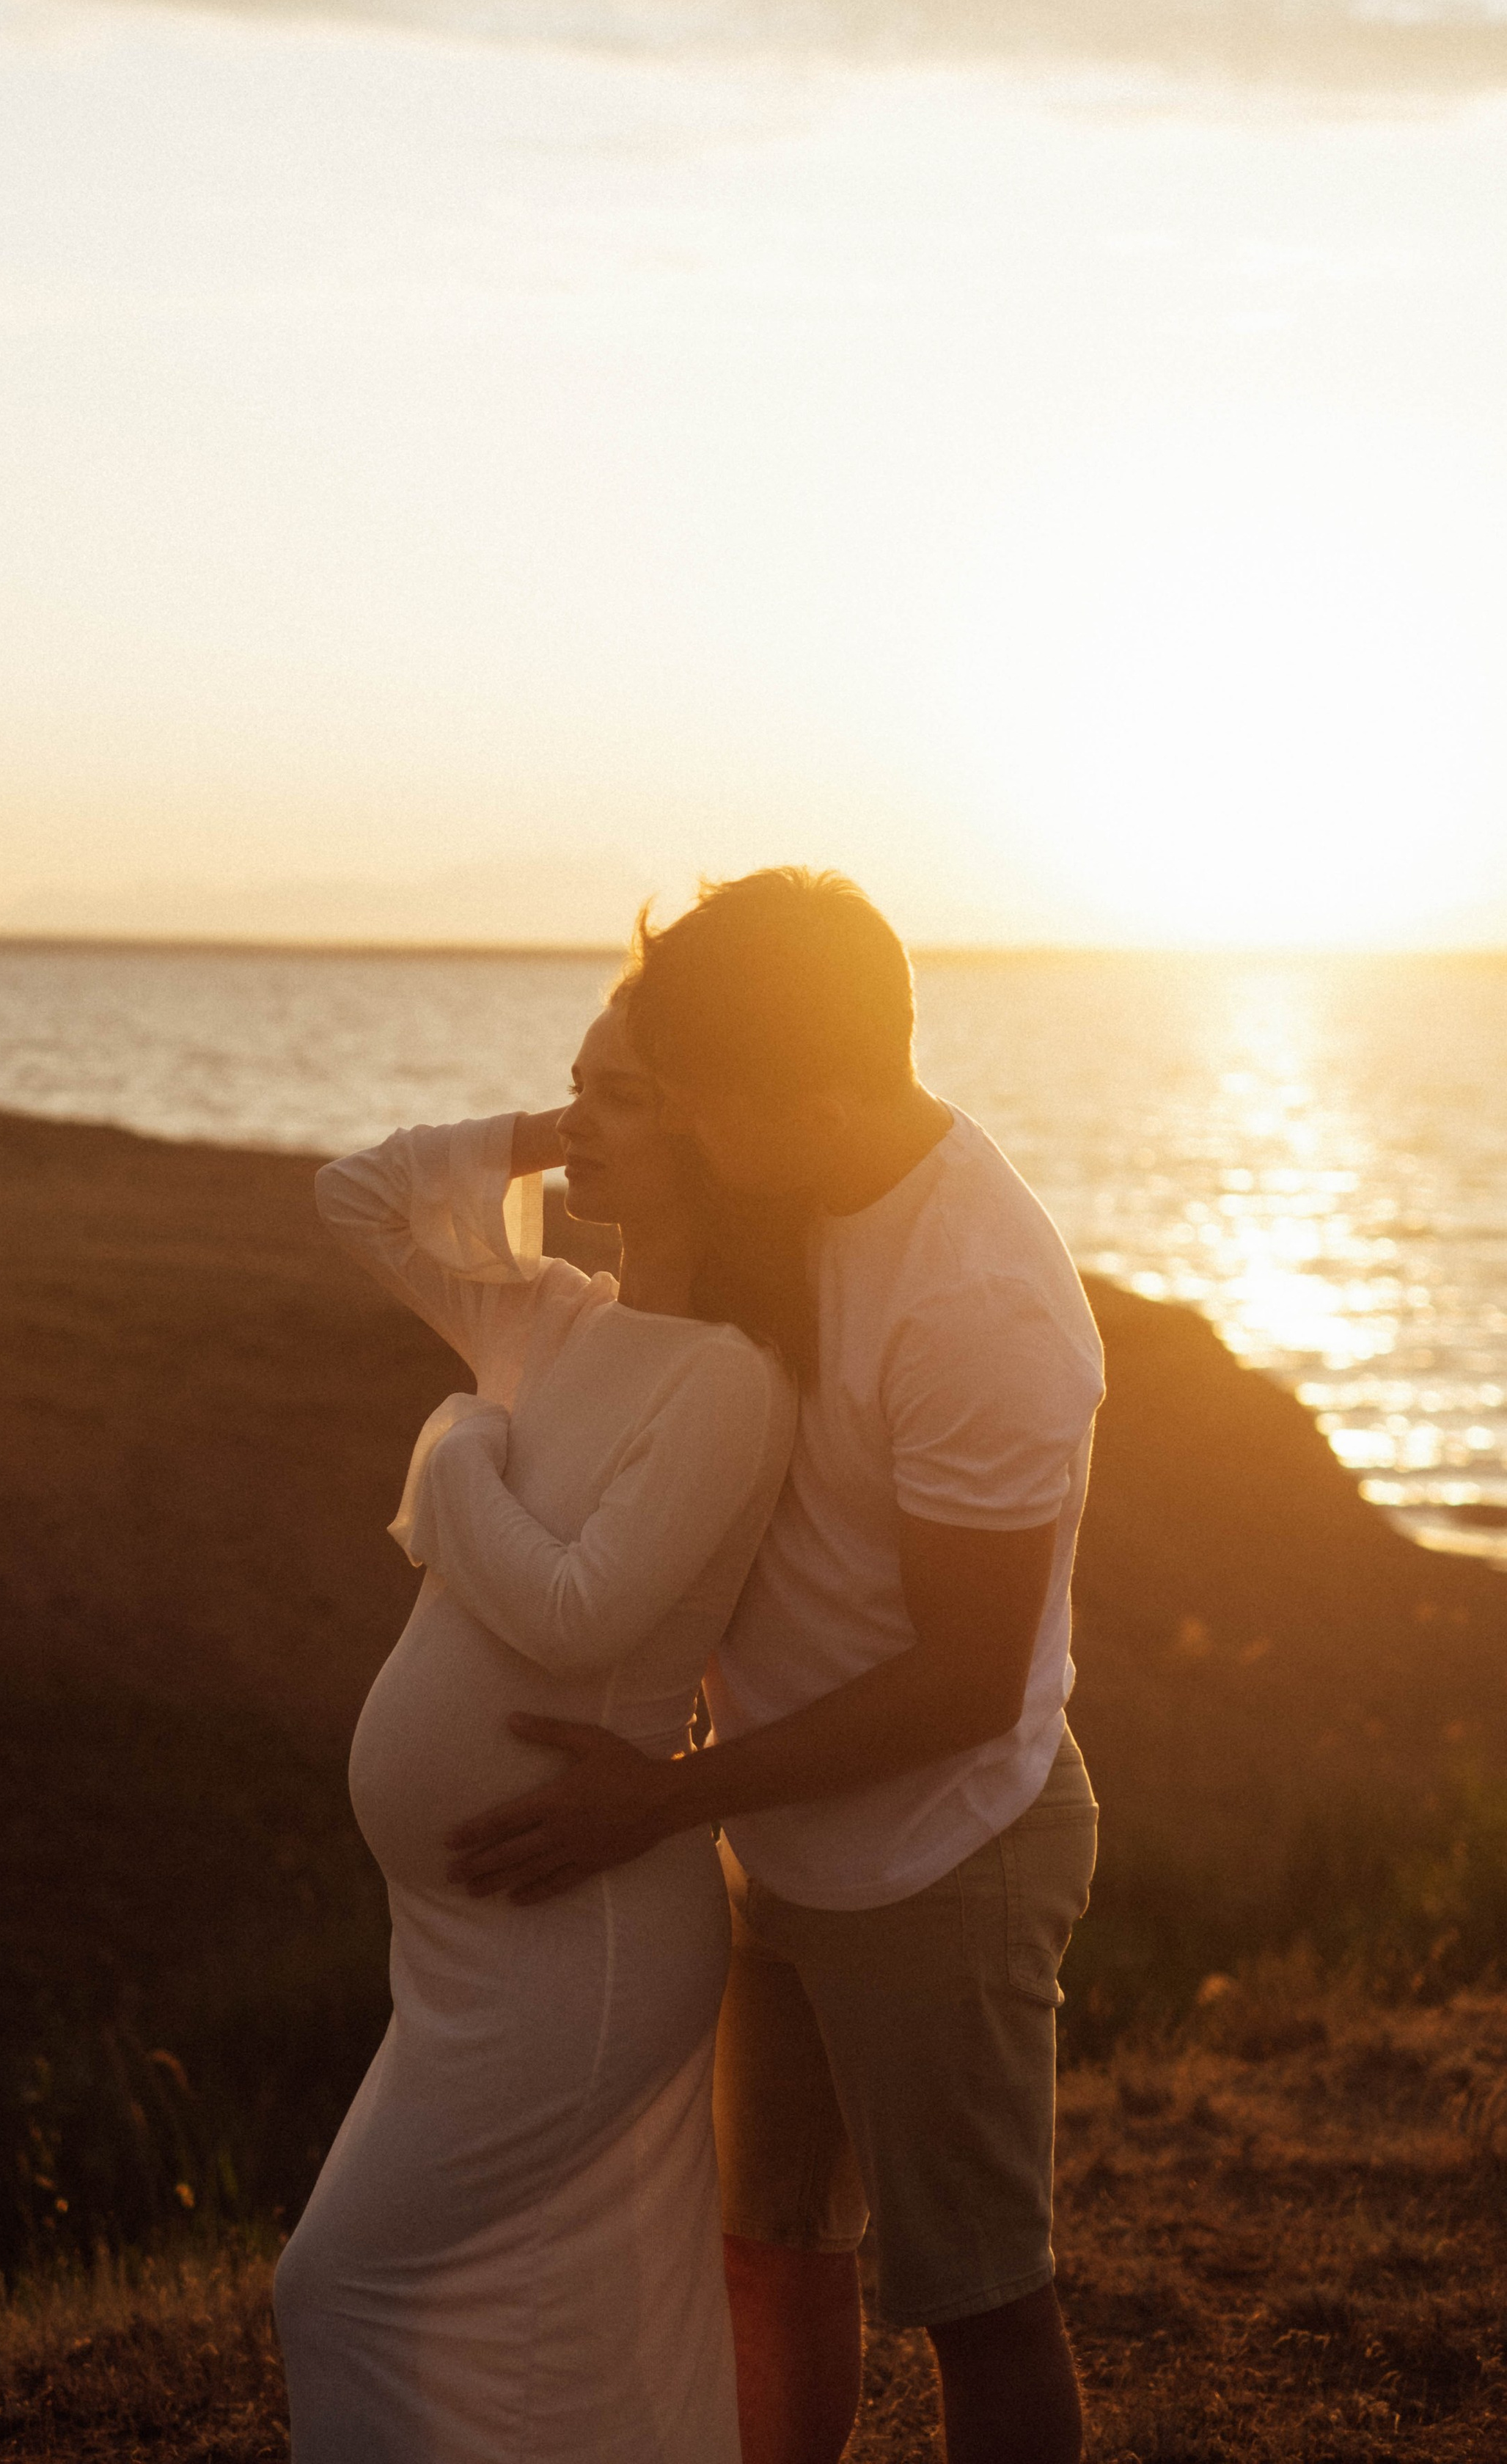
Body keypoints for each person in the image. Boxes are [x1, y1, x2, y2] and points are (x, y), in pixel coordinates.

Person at [447, 869, 1106, 2464]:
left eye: (697, 1100)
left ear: (806, 1094)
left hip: (937, 1856)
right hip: (777, 1833)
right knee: (768, 2252)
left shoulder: (978, 1302)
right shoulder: (794, 1185)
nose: (678, 1128)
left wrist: (662, 1803)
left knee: (974, 2302)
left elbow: (962, 1680)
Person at [272, 995, 803, 2462]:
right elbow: (358, 1196)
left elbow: (577, 1615)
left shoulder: (731, 1383)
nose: (575, 1126)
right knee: (541, 2325)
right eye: (570, 1089)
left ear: (708, 1133)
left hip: (578, 1943)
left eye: (617, 1098)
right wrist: (536, 1130)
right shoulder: (550, 1313)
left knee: (343, 2284)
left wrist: (451, 1455)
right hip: (465, 1938)